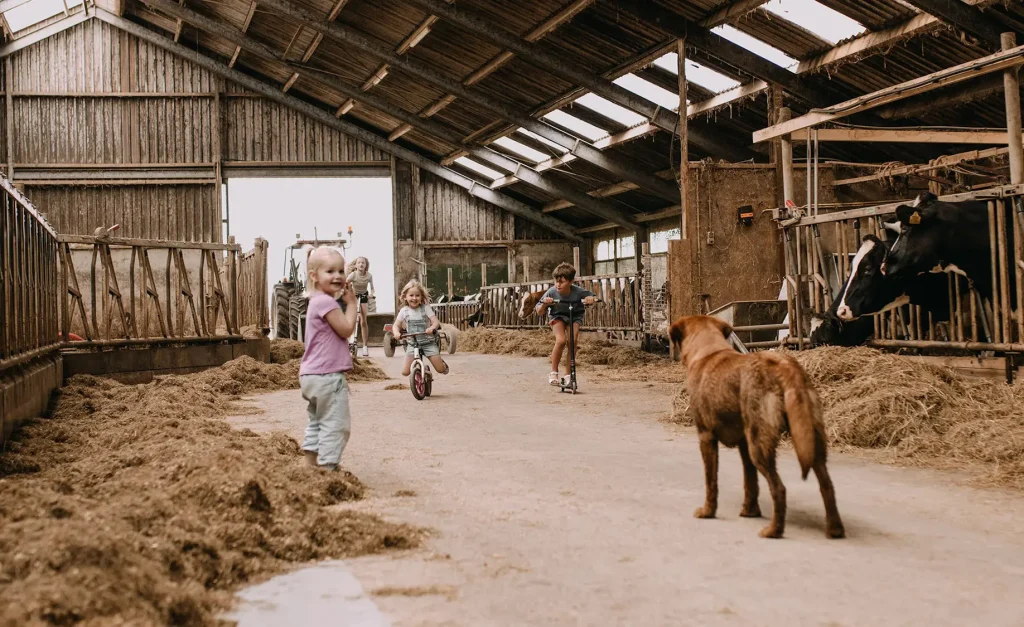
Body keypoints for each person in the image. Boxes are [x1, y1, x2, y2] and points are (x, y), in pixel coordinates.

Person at [299, 247, 358, 471]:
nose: (338, 276)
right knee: (336, 424)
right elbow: (345, 330)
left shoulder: (315, 301)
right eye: (330, 271)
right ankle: (328, 469)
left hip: (311, 376)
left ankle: (310, 464)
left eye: (341, 271)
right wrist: (351, 304)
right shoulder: (326, 302)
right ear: (314, 276)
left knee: (316, 421)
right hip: (327, 377)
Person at [535, 262, 597, 386]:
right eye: (556, 281)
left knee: (572, 341)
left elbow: (593, 297)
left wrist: (591, 300)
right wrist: (545, 303)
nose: (558, 285)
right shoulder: (551, 292)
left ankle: (568, 374)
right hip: (557, 316)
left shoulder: (578, 292)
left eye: (562, 282)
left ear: (571, 281)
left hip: (574, 316)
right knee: (561, 340)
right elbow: (539, 311)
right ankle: (554, 372)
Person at [393, 280, 450, 378]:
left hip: (428, 343)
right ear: (405, 297)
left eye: (417, 295)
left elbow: (436, 322)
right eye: (411, 295)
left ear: (421, 297)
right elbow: (396, 325)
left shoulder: (425, 308)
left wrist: (432, 328)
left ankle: (441, 363)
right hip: (413, 344)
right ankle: (419, 375)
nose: (414, 298)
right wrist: (396, 333)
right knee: (405, 372)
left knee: (441, 369)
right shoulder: (404, 311)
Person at [346, 256, 374, 357]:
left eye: (363, 263)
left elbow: (372, 288)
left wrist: (371, 294)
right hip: (354, 296)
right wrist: (349, 290)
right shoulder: (353, 275)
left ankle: (365, 346)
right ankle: (351, 341)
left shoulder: (369, 276)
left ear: (366, 265)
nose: (361, 264)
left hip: (364, 297)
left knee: (363, 321)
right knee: (353, 320)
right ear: (356, 265)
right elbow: (346, 283)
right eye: (359, 263)